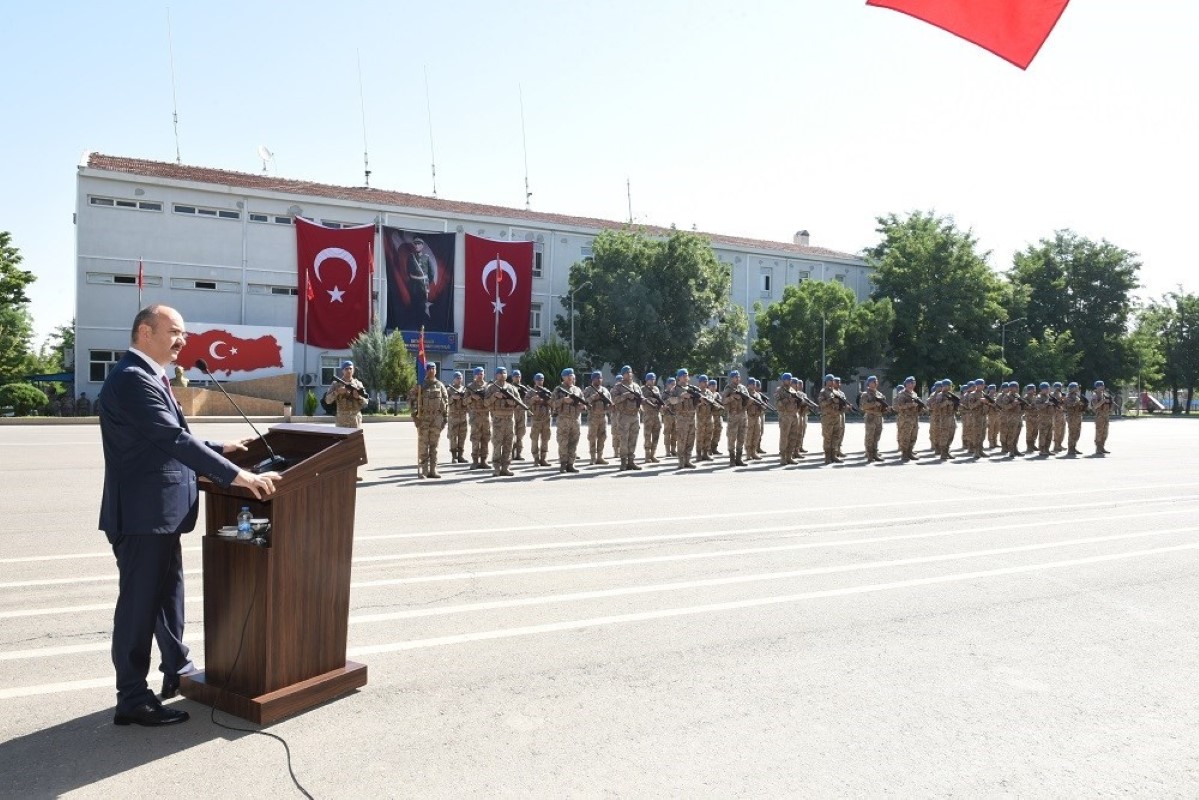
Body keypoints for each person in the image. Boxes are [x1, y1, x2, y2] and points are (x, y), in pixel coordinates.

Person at [99, 305, 279, 727]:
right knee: (139, 607)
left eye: (183, 334)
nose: (182, 341)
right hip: (142, 517)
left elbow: (165, 438)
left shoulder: (150, 375)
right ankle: (131, 698)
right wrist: (237, 475)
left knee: (167, 599)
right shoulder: (132, 378)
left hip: (160, 517)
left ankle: (176, 668)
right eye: (174, 332)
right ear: (145, 332)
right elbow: (171, 438)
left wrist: (220, 448)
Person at [412, 362, 449, 479]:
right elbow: (411, 400)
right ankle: (424, 470)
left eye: (433, 368)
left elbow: (446, 402)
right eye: (429, 369)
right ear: (426, 371)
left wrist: (445, 419)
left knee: (434, 445)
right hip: (424, 419)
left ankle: (433, 470)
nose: (431, 371)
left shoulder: (440, 385)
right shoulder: (420, 385)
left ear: (436, 371)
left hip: (436, 419)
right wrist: (415, 417)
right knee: (423, 445)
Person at [484, 367, 521, 476]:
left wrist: (511, 402)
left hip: (509, 419)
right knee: (497, 444)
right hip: (497, 419)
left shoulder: (512, 388)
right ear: (496, 375)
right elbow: (485, 403)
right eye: (500, 373)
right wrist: (495, 396)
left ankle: (505, 467)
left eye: (504, 373)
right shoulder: (491, 388)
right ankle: (496, 468)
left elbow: (519, 403)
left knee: (508, 444)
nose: (502, 375)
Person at [551, 368, 585, 473]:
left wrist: (582, 406)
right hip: (563, 420)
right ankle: (563, 464)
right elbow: (552, 403)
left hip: (575, 420)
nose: (571, 377)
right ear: (563, 377)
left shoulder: (577, 389)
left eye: (572, 375)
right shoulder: (558, 389)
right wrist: (563, 400)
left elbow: (583, 403)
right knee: (563, 442)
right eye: (568, 376)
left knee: (574, 442)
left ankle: (571, 464)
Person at [611, 365, 643, 471]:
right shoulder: (618, 387)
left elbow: (641, 398)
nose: (629, 374)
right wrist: (626, 395)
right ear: (623, 374)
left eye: (630, 372)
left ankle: (631, 461)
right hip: (624, 416)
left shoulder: (636, 386)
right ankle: (623, 462)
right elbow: (614, 400)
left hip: (635, 415)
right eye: (626, 372)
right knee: (624, 439)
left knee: (633, 439)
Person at [666, 368, 698, 469]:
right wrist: (682, 397)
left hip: (692, 417)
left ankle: (688, 460)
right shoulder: (675, 389)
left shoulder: (692, 388)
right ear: (679, 377)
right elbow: (671, 401)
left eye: (686, 375)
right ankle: (681, 461)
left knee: (690, 440)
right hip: (681, 418)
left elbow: (697, 401)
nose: (686, 377)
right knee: (681, 440)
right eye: (683, 375)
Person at [324, 360, 367, 428]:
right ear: (342, 371)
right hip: (341, 422)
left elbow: (366, 403)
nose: (349, 371)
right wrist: (337, 392)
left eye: (350, 368)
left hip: (355, 422)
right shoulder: (336, 384)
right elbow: (327, 401)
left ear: (353, 370)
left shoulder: (358, 384)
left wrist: (359, 397)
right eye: (346, 369)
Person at [721, 370, 749, 467]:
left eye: (738, 377)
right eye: (735, 377)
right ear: (731, 378)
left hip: (743, 416)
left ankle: (739, 459)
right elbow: (723, 401)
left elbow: (747, 399)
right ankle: (732, 459)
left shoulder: (743, 388)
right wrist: (732, 397)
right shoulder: (728, 388)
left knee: (741, 438)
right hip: (733, 416)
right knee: (732, 438)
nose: (737, 378)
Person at [583, 371, 612, 465]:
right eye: (597, 378)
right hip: (593, 417)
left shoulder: (605, 390)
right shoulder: (588, 390)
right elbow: (584, 402)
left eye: (600, 378)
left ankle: (600, 457)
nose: (599, 380)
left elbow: (610, 402)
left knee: (602, 437)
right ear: (593, 379)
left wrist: (609, 406)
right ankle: (593, 457)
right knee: (592, 437)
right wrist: (593, 397)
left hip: (603, 417)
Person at [859, 375, 889, 463]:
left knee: (877, 437)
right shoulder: (865, 394)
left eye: (876, 381)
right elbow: (863, 406)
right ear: (868, 383)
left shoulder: (880, 394)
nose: (875, 383)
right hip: (870, 417)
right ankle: (869, 455)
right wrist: (874, 404)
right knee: (870, 436)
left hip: (879, 417)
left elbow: (883, 405)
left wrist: (885, 409)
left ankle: (875, 454)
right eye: (873, 381)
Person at [466, 367, 491, 470]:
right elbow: (464, 401)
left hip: (485, 416)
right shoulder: (470, 387)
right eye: (478, 374)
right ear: (475, 375)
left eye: (482, 374)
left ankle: (484, 461)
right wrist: (471, 397)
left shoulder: (488, 387)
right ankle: (475, 461)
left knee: (485, 438)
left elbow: (491, 400)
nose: (480, 376)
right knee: (475, 439)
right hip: (475, 416)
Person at [893, 376, 922, 462]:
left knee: (913, 436)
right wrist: (910, 405)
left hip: (914, 418)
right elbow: (897, 406)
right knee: (905, 436)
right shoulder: (902, 394)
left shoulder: (914, 394)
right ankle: (904, 454)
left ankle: (910, 452)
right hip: (905, 419)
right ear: (906, 384)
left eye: (914, 383)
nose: (912, 384)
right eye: (910, 383)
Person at [527, 372, 553, 467]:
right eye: (538, 380)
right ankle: (536, 459)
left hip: (546, 419)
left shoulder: (547, 391)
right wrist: (533, 399)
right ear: (534, 381)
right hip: (536, 419)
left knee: (545, 439)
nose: (539, 382)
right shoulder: (530, 392)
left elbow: (553, 403)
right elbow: (525, 404)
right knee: (534, 439)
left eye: (541, 380)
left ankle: (543, 458)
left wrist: (546, 400)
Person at [774, 373, 799, 465]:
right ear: (783, 380)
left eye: (790, 379)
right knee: (784, 437)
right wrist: (788, 399)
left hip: (793, 416)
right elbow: (777, 404)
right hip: (784, 416)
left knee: (793, 437)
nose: (790, 381)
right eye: (788, 379)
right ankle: (783, 457)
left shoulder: (792, 390)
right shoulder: (779, 390)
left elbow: (796, 403)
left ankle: (789, 457)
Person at [818, 374, 843, 464]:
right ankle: (827, 457)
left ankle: (834, 455)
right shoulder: (823, 392)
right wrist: (830, 400)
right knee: (828, 437)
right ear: (826, 381)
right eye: (830, 380)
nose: (832, 382)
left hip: (836, 417)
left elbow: (840, 404)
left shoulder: (836, 392)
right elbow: (821, 404)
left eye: (833, 380)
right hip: (827, 418)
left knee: (836, 437)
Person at [640, 372, 664, 463]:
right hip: (648, 415)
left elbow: (660, 399)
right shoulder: (642, 389)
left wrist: (661, 406)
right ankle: (647, 456)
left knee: (656, 436)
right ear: (647, 380)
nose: (652, 381)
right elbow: (641, 400)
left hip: (657, 415)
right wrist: (651, 399)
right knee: (647, 436)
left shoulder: (656, 389)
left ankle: (653, 455)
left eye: (654, 379)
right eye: (651, 379)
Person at [446, 371, 469, 463]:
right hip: (453, 417)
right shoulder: (449, 390)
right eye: (457, 378)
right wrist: (452, 398)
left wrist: (464, 399)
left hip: (463, 416)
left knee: (462, 437)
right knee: (453, 437)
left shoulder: (465, 389)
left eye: (460, 378)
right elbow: (445, 401)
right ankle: (454, 456)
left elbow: (468, 402)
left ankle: (460, 456)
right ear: (454, 379)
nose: (459, 380)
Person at [1062, 381, 1088, 456]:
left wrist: (1084, 405)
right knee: (1072, 433)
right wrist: (1077, 402)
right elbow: (1068, 406)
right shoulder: (1068, 397)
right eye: (1076, 387)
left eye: (1077, 387)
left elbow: (1080, 406)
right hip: (1072, 417)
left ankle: (1074, 447)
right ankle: (1070, 449)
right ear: (1071, 388)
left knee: (1077, 433)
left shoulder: (1077, 396)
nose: (1077, 388)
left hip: (1078, 416)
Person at [509, 369, 528, 461]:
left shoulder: (523, 388)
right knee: (511, 434)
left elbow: (527, 400)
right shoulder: (509, 388)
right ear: (512, 377)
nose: (518, 378)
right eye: (516, 376)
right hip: (513, 412)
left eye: (519, 376)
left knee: (520, 434)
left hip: (522, 413)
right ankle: (511, 453)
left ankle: (518, 454)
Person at [745, 378, 765, 461]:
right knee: (749, 435)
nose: (754, 385)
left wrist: (762, 406)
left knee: (757, 435)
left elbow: (760, 405)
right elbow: (743, 406)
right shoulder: (746, 394)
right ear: (748, 385)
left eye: (754, 384)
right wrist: (749, 402)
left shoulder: (757, 395)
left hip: (757, 417)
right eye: (752, 384)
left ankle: (754, 452)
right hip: (749, 417)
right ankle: (748, 453)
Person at [1033, 382, 1055, 457]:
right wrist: (1046, 404)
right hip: (1043, 419)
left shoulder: (1049, 396)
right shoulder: (1039, 397)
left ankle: (1047, 449)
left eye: (1049, 388)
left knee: (1049, 435)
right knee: (1043, 434)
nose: (1049, 390)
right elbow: (1037, 406)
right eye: (1047, 388)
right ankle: (1042, 450)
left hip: (1050, 418)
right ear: (1043, 389)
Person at [1092, 380, 1114, 455]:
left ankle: (1102, 447)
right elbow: (1095, 406)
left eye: (1103, 385)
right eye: (1101, 386)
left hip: (1106, 416)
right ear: (1097, 387)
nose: (1103, 387)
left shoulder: (1105, 394)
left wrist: (1111, 405)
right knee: (1099, 432)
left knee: (1105, 433)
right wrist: (1103, 401)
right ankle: (1098, 448)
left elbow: (1110, 403)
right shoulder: (1095, 395)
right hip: (1100, 416)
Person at [661, 376, 677, 457]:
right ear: (668, 385)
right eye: (672, 384)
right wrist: (669, 401)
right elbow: (662, 403)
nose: (674, 386)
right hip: (668, 416)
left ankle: (673, 450)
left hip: (676, 415)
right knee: (667, 433)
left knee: (675, 433)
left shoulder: (676, 393)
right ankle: (667, 451)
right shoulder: (665, 394)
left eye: (674, 384)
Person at [708, 378, 724, 456]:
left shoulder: (717, 394)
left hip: (718, 416)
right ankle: (708, 449)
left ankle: (714, 448)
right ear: (709, 386)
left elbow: (721, 403)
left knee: (718, 433)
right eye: (712, 385)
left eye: (715, 385)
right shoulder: (708, 394)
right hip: (711, 416)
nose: (714, 387)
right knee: (710, 433)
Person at [1051, 381, 1067, 453]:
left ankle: (1059, 444)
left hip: (1062, 414)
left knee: (1062, 431)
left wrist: (1064, 399)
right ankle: (1056, 446)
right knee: (1057, 431)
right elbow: (1054, 404)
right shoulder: (1052, 395)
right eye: (1057, 387)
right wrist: (1060, 400)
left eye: (1060, 387)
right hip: (1056, 415)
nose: (1059, 388)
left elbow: (1064, 404)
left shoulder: (1061, 394)